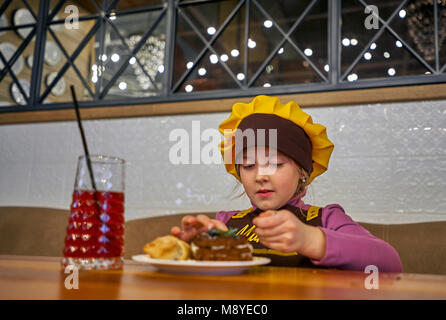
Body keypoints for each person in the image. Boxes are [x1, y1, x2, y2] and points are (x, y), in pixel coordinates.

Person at [171, 95, 402, 272]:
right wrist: (195, 247)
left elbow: (389, 261)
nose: (260, 175)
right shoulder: (226, 222)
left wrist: (310, 239)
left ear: (302, 172)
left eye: (275, 164)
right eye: (249, 166)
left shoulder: (325, 218)